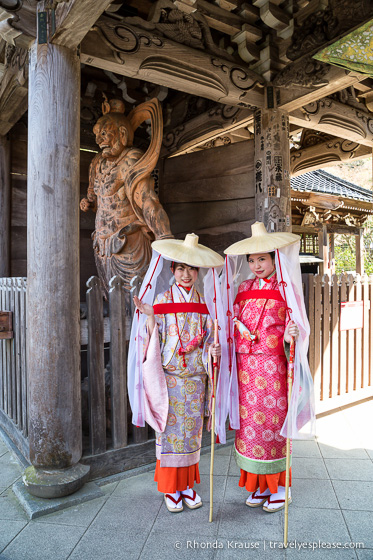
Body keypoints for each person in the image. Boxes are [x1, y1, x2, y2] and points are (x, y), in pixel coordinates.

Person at [130, 234, 227, 513]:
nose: (186, 274)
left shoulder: (205, 303)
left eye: (191, 268)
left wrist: (213, 350)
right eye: (180, 268)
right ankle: (171, 488)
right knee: (171, 435)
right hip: (171, 380)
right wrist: (149, 316)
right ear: (172, 271)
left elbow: (209, 338)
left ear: (198, 272)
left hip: (196, 380)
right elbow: (152, 340)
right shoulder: (161, 300)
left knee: (191, 435)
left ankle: (187, 486)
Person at [224, 222, 315, 513]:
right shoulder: (244, 287)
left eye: (261, 258)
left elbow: (297, 325)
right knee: (251, 429)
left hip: (274, 367)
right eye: (251, 260)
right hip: (246, 369)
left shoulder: (285, 288)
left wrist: (292, 336)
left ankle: (281, 487)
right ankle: (259, 486)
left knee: (274, 428)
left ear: (275, 258)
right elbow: (233, 322)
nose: (255, 265)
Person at [80, 96, 173, 295]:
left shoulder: (130, 159)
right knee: (111, 297)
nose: (98, 140)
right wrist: (88, 203)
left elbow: (147, 199)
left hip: (129, 242)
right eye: (97, 135)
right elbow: (96, 199)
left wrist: (165, 237)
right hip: (103, 244)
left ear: (122, 133)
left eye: (104, 134)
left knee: (138, 297)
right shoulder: (96, 163)